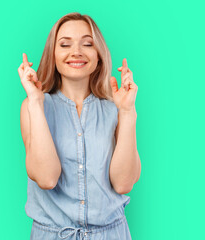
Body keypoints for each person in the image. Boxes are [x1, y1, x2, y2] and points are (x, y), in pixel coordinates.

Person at [18, 12, 141, 240]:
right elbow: (46, 178)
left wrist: (127, 112)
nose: (76, 52)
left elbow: (124, 183)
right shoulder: (34, 105)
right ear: (53, 55)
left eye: (87, 44)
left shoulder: (116, 107)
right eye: (65, 44)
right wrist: (36, 101)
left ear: (98, 56)